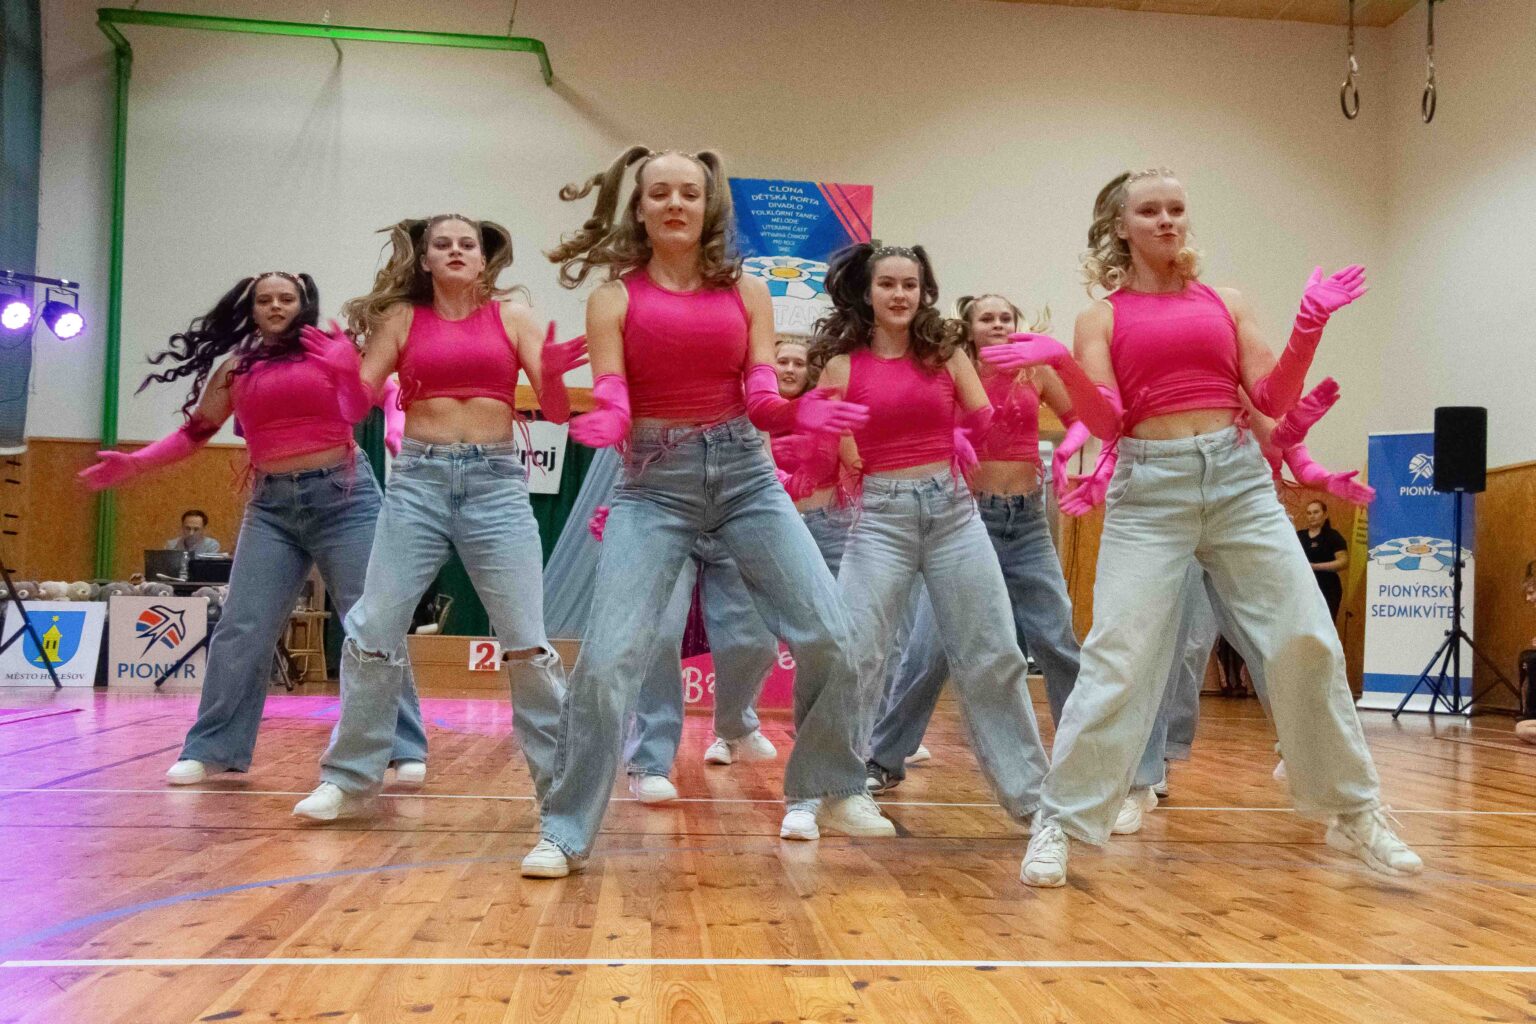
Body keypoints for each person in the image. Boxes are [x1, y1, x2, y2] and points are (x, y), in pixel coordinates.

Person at [993, 168, 1419, 886]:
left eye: (1176, 208)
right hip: (1149, 491)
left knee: (1307, 639)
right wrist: (1060, 361)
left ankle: (1353, 811)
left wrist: (1310, 324)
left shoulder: (1226, 301)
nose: (1166, 220)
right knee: (1118, 658)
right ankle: (1060, 822)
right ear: (1121, 226)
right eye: (1149, 211)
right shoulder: (1101, 317)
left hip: (1237, 481)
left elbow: (1272, 397)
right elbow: (1108, 421)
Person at [522, 147, 890, 879]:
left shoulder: (747, 292)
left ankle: (831, 782)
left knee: (833, 635)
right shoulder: (613, 298)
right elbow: (613, 387)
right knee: (608, 661)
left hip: (747, 476)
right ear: (640, 208)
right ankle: (563, 829)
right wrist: (610, 416)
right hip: (653, 485)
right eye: (659, 193)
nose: (674, 204)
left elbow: (761, 398)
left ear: (708, 205)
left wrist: (799, 413)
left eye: (688, 193)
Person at [79, 271, 427, 785]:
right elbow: (194, 432)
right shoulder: (236, 369)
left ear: (303, 303)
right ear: (252, 309)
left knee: (371, 624)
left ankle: (401, 747)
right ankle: (213, 748)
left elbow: (388, 390)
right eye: (265, 299)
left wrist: (397, 430)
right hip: (271, 507)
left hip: (345, 498)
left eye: (286, 298)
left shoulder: (331, 350)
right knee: (241, 627)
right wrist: (137, 463)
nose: (276, 306)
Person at [292, 214, 580, 820]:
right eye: (441, 244)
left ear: (483, 258)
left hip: (495, 484)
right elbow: (355, 407)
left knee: (526, 641)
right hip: (418, 481)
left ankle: (561, 791)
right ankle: (348, 778)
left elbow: (555, 409)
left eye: (466, 244)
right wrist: (344, 371)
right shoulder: (402, 319)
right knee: (373, 628)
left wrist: (553, 375)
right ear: (424, 259)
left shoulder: (514, 317)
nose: (454, 251)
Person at [798, 243, 1052, 830]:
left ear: (924, 292)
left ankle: (1032, 800)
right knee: (857, 652)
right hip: (880, 518)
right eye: (887, 284)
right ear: (867, 292)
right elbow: (829, 451)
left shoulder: (946, 353)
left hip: (953, 514)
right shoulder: (841, 367)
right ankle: (830, 790)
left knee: (995, 653)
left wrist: (982, 426)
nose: (900, 295)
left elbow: (983, 420)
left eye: (910, 284)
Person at [863, 293, 1082, 795]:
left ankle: (1082, 757)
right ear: (969, 326)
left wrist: (1067, 453)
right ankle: (884, 757)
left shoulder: (1034, 371)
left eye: (1006, 316)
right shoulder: (952, 370)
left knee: (1057, 641)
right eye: (988, 318)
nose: (999, 323)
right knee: (929, 652)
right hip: (966, 520)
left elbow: (1081, 418)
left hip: (1027, 523)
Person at [1298, 499, 1349, 623]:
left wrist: (1315, 567)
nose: (1312, 516)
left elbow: (1343, 562)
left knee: (1324, 624)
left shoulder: (1333, 536)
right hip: (1304, 587)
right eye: (1309, 513)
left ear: (1325, 514)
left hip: (1328, 588)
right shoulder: (1299, 536)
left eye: (1316, 512)